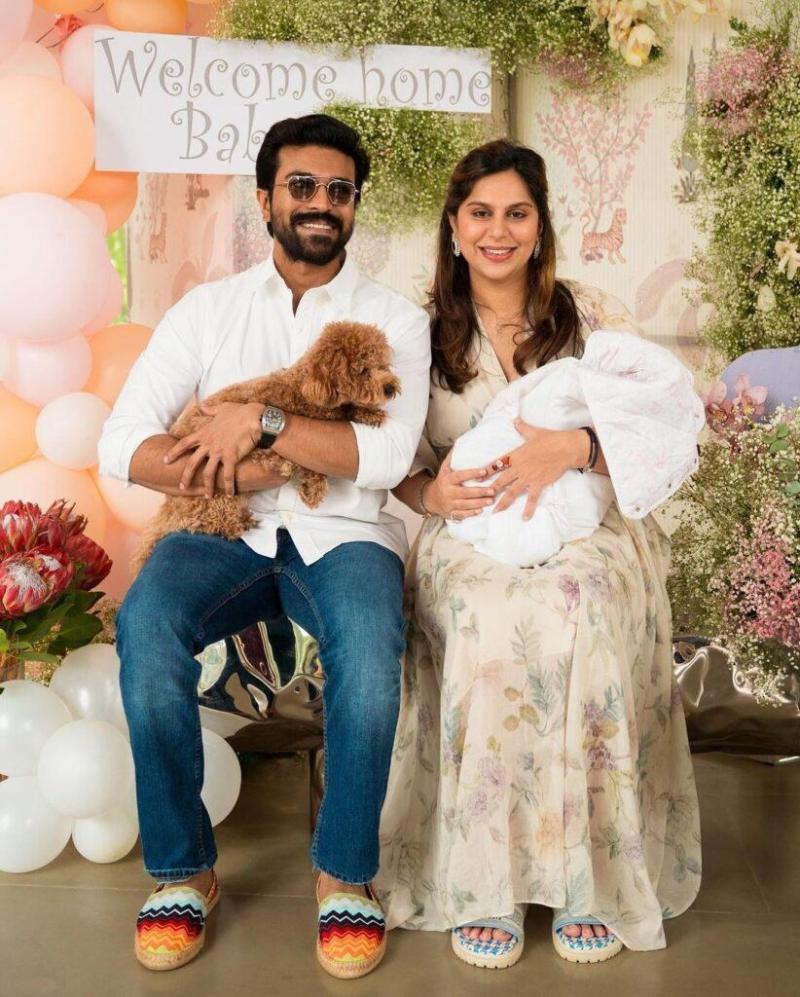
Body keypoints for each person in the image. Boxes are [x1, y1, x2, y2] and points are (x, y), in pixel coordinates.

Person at [97, 113, 431, 980]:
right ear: (265, 199)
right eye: (302, 186)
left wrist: (263, 418)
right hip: (224, 528)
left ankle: (344, 873)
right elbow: (122, 444)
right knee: (146, 625)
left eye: (339, 190)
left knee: (371, 648)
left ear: (355, 206)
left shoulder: (395, 318)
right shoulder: (206, 311)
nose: (321, 203)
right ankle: (183, 871)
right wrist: (240, 473)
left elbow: (386, 458)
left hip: (347, 533)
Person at [376, 140, 701, 969]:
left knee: (576, 608)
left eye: (517, 213)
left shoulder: (590, 316)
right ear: (454, 227)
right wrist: (429, 496)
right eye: (481, 213)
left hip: (590, 525)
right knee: (490, 619)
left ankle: (584, 876)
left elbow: (668, 427)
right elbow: (388, 459)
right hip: (469, 528)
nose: (499, 231)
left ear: (540, 224)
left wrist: (579, 448)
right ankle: (487, 879)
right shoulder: (417, 333)